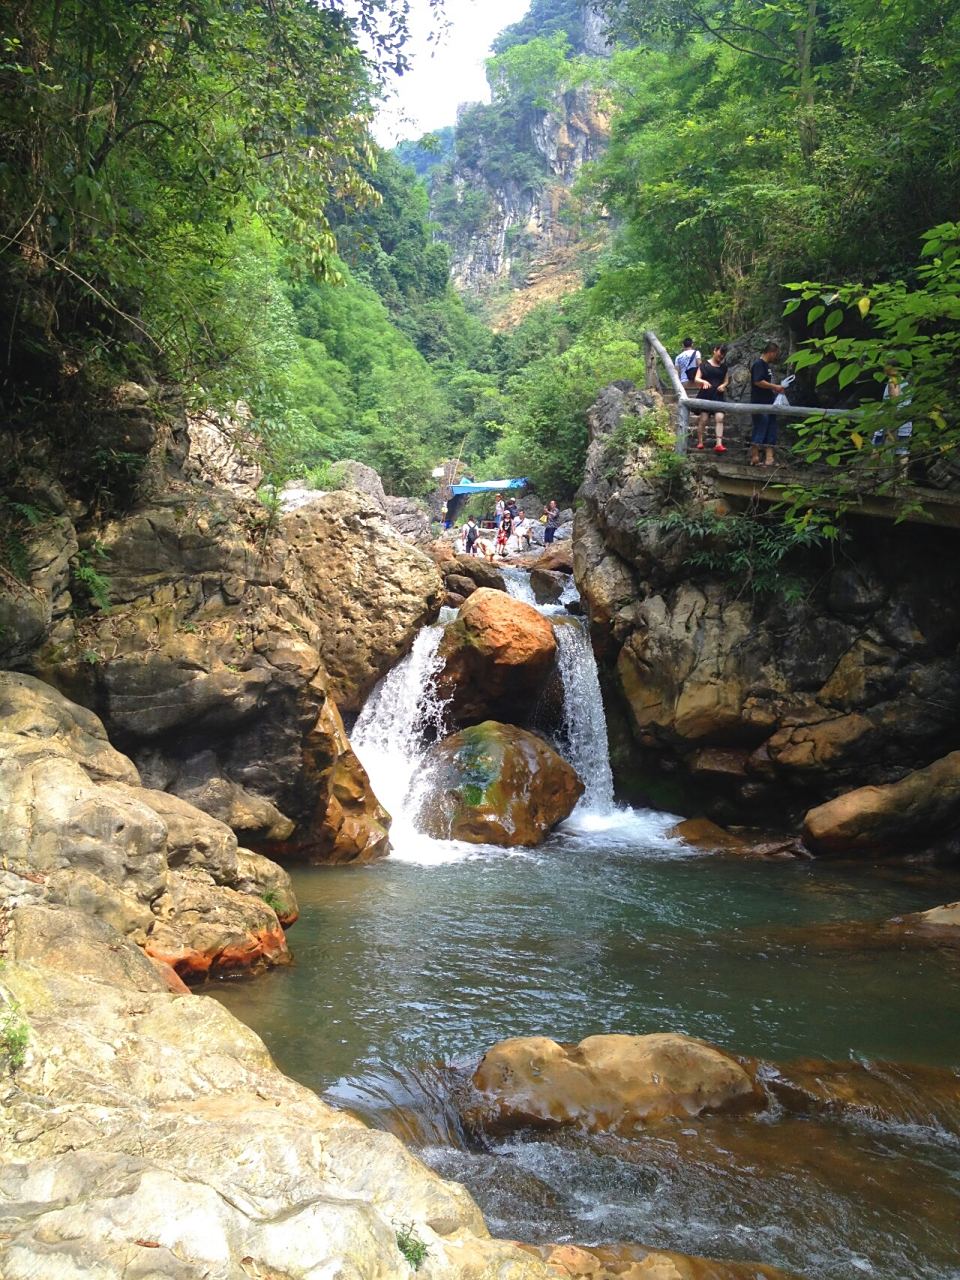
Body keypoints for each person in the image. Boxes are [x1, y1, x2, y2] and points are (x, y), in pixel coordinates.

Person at [750, 341, 787, 466]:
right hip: (759, 403)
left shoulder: (767, 366)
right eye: (776, 354)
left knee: (771, 429)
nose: (776, 357)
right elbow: (758, 381)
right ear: (771, 352)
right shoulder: (758, 364)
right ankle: (755, 457)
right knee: (760, 428)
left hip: (769, 402)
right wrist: (775, 386)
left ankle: (769, 458)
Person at [693, 344, 729, 452]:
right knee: (704, 419)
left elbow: (726, 380)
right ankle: (700, 441)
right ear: (715, 350)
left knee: (720, 418)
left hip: (718, 395)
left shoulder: (724, 367)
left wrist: (723, 386)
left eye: (723, 354)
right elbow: (696, 379)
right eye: (720, 353)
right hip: (706, 395)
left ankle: (719, 443)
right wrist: (704, 381)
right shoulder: (704, 365)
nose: (721, 356)